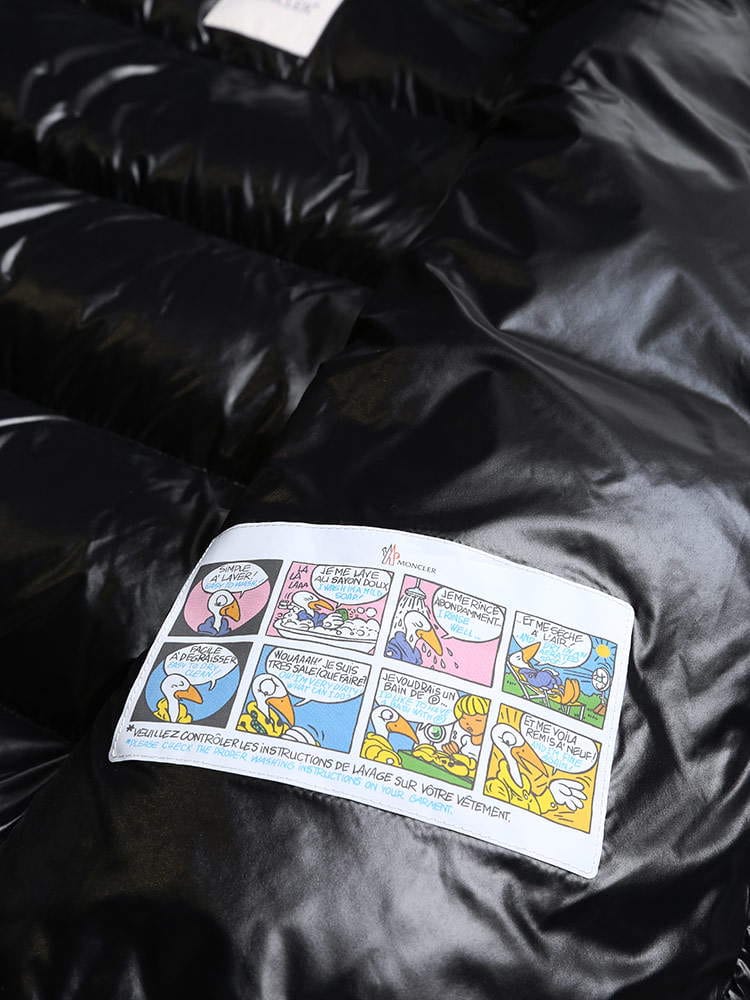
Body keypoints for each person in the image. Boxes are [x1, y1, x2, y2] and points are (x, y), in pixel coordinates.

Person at [442, 694, 490, 760]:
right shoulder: (465, 739)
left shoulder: (487, 747)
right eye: (464, 718)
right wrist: (454, 752)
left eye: (477, 720)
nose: (468, 723)